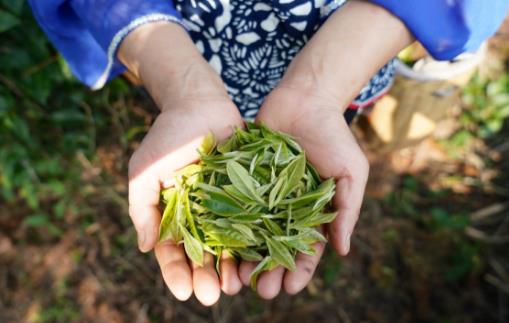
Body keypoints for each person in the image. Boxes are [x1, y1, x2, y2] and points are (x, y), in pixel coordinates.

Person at [29, 0, 509, 306]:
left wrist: (322, 89)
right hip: (186, 48)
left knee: (332, 118)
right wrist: (178, 84)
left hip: (346, 59)